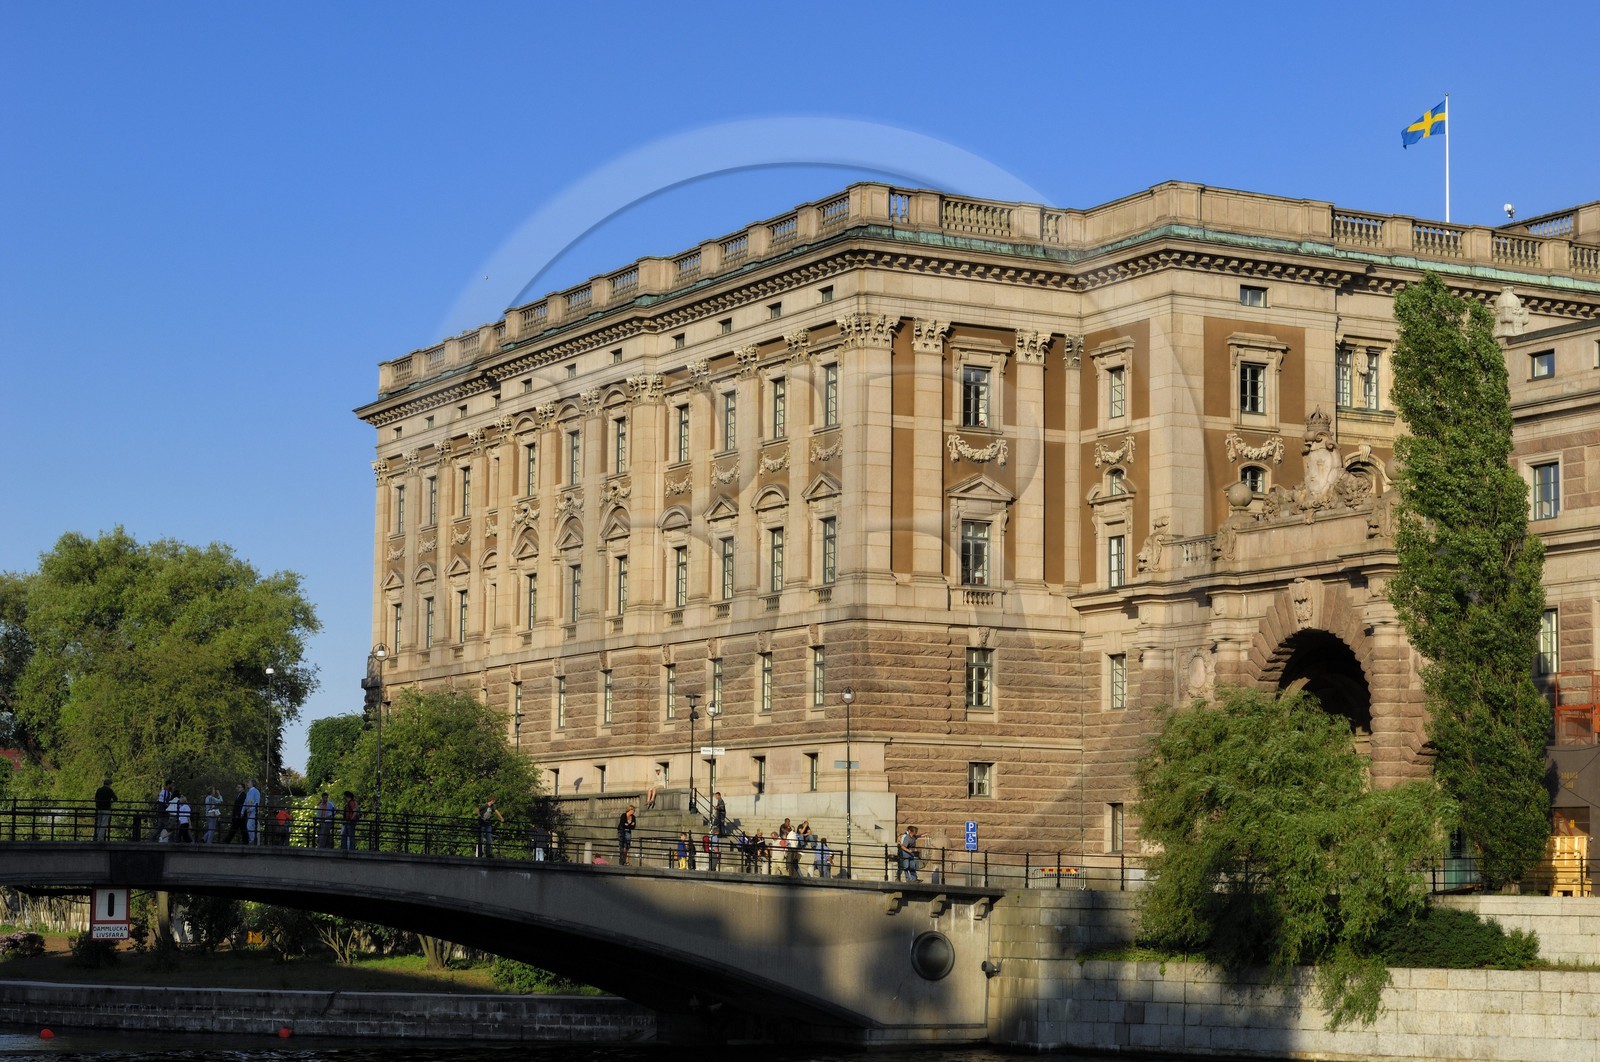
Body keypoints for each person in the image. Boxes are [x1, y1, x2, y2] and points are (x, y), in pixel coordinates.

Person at [244, 780, 261, 845]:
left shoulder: (256, 791)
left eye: (248, 782)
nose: (247, 783)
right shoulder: (248, 792)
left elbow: (257, 802)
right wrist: (244, 810)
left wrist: (250, 809)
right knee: (253, 826)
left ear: (252, 783)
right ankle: (254, 841)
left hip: (253, 811)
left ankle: (253, 840)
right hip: (250, 811)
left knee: (249, 825)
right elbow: (246, 801)